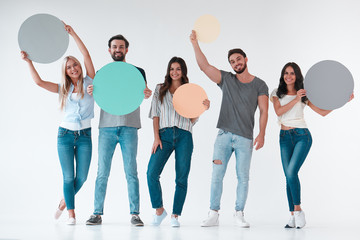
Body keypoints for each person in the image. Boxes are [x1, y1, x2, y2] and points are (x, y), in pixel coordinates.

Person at [189, 30, 269, 227]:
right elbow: (204, 66)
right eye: (232, 61)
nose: (236, 63)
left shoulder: (260, 84)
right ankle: (213, 213)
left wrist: (262, 133)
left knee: (243, 178)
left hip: (245, 139)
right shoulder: (226, 79)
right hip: (223, 136)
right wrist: (194, 43)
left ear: (245, 59)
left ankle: (239, 213)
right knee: (217, 175)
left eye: (238, 59)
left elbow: (264, 111)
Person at [21, 23, 95, 225]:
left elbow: (86, 54)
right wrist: (29, 62)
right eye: (69, 67)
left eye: (75, 65)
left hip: (85, 136)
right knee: (68, 177)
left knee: (82, 177)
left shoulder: (91, 82)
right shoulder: (63, 88)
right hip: (64, 135)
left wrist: (73, 33)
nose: (73, 69)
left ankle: (63, 203)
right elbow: (39, 82)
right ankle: (71, 213)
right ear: (66, 71)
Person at [270, 62, 353, 228]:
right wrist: (296, 99)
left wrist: (343, 101)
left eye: (292, 73)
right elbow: (279, 112)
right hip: (284, 136)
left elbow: (322, 112)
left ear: (297, 76)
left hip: (302, 136)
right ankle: (293, 216)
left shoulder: (304, 94)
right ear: (282, 75)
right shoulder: (276, 93)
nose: (288, 76)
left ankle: (299, 210)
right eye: (286, 73)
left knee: (291, 171)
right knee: (288, 176)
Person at [86, 35, 152, 226]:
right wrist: (92, 91)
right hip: (106, 126)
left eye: (121, 47)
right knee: (102, 172)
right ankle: (96, 213)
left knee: (131, 171)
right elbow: (99, 94)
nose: (118, 49)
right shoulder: (102, 72)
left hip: (129, 126)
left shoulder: (138, 71)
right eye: (114, 47)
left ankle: (135, 214)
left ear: (126, 50)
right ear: (109, 50)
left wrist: (146, 93)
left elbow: (141, 93)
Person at [147, 57, 210, 227]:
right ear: (168, 71)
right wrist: (156, 137)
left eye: (178, 69)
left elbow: (191, 119)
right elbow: (155, 115)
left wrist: (202, 109)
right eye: (172, 69)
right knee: (151, 173)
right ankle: (159, 211)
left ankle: (175, 215)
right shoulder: (160, 89)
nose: (174, 72)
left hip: (184, 135)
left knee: (181, 177)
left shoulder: (189, 91)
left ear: (183, 72)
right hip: (164, 135)